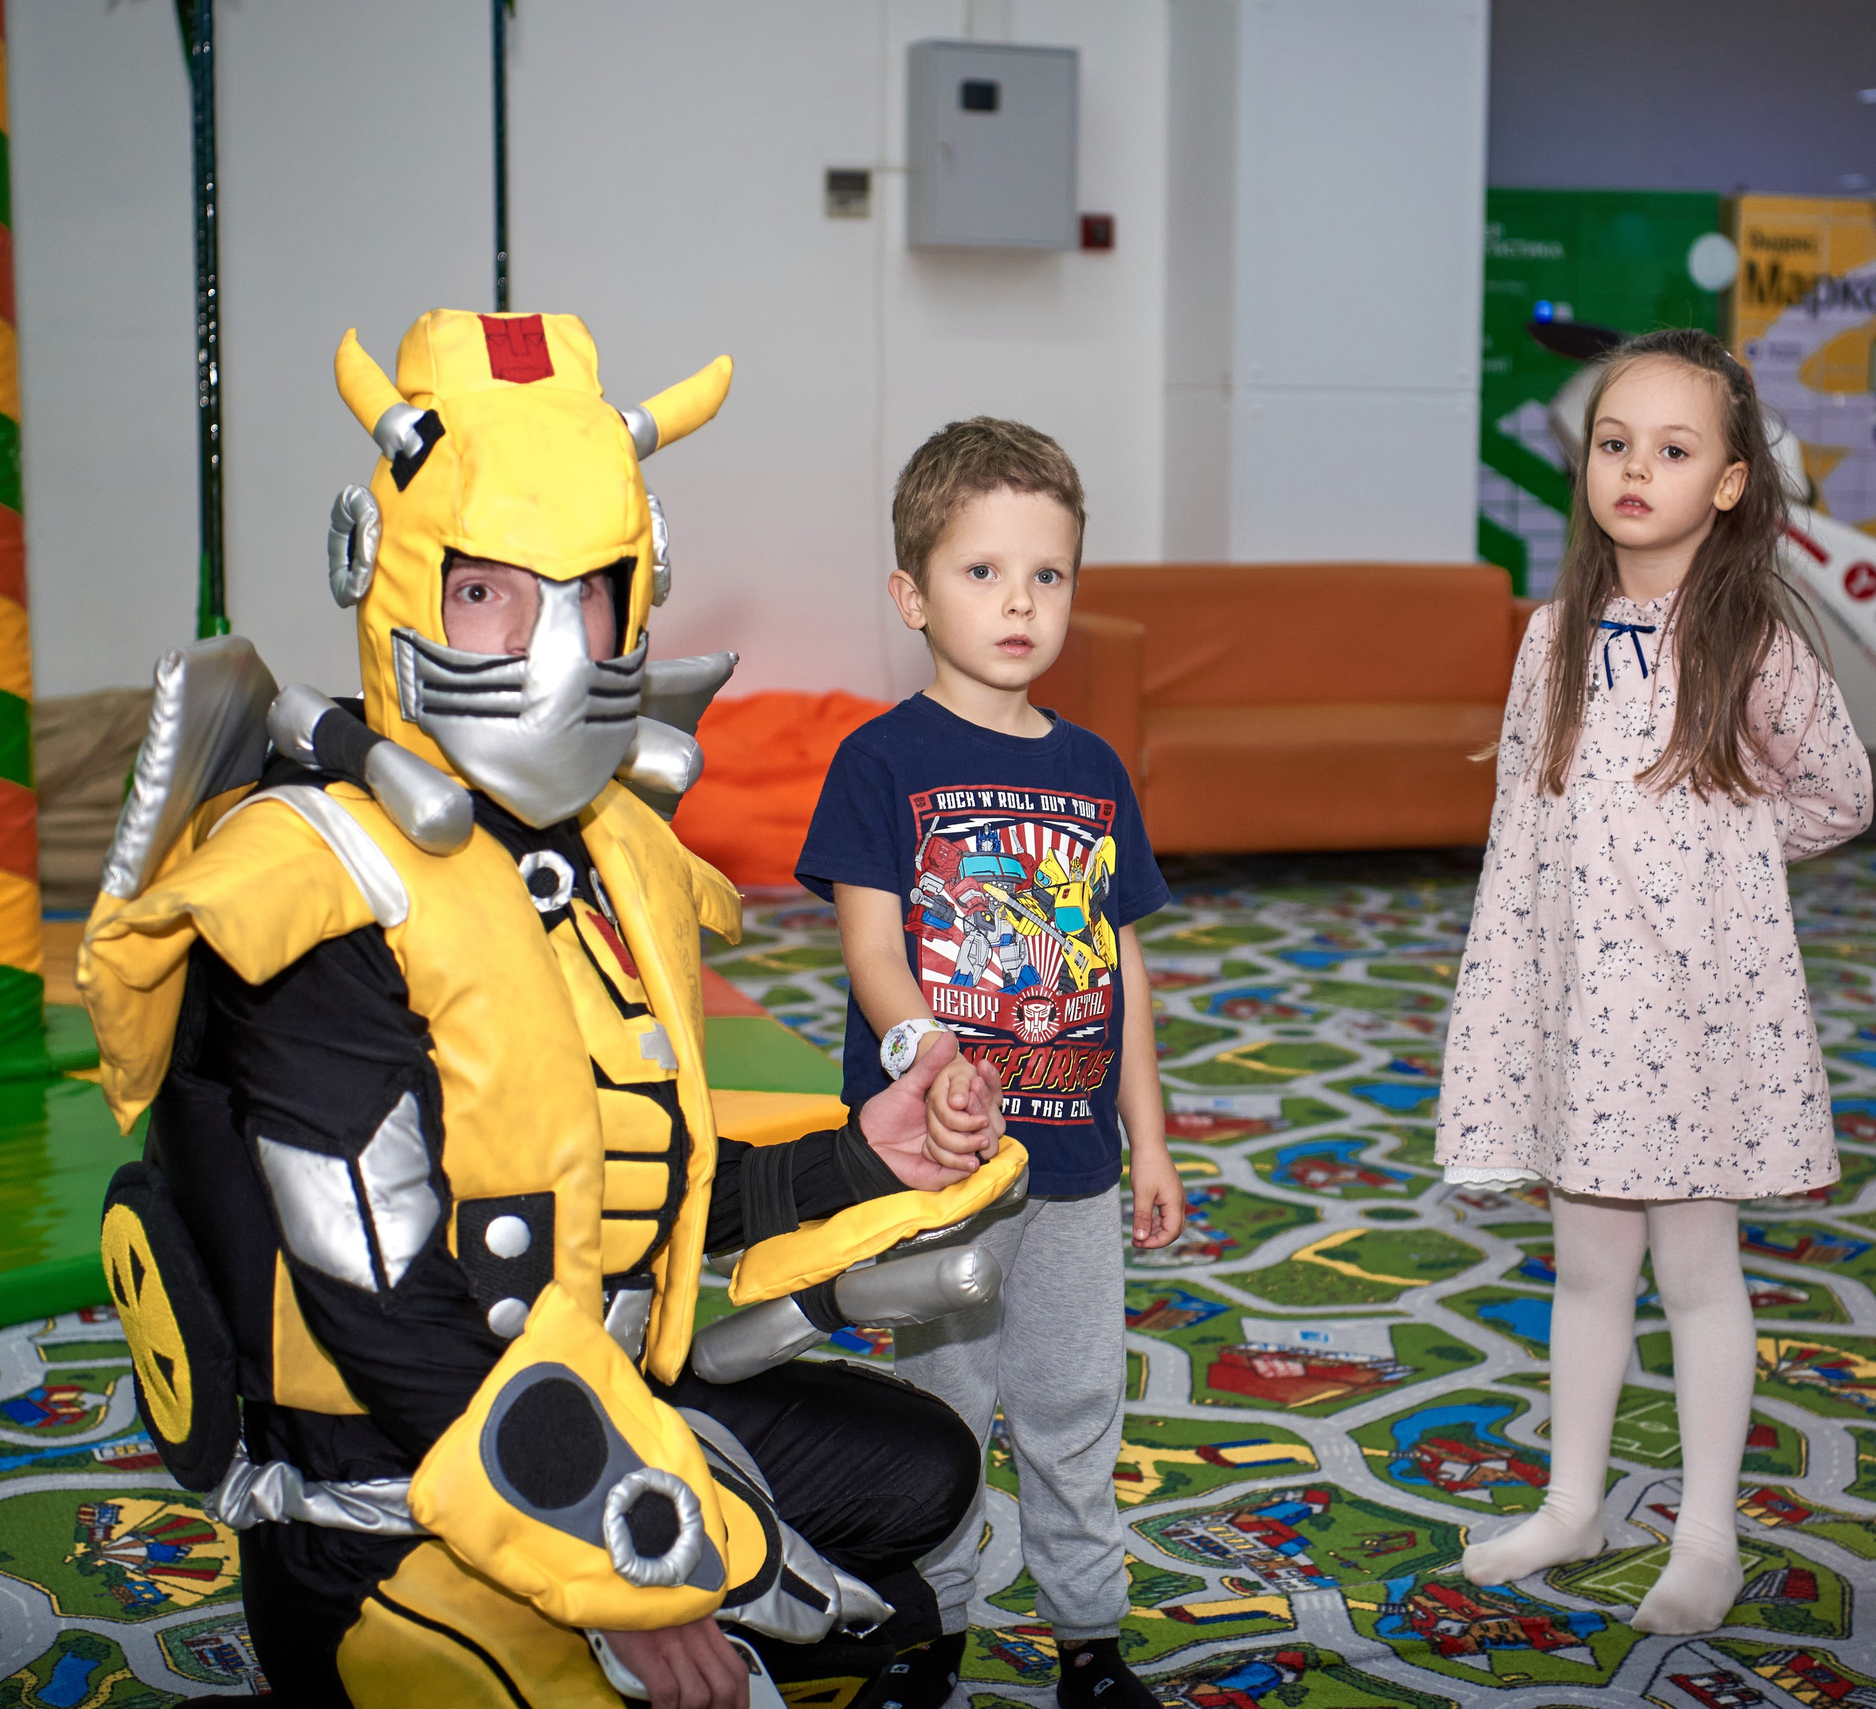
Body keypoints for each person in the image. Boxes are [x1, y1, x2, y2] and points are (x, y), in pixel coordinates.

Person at [80, 311, 1023, 1709]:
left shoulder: (609, 853)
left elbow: (639, 1182)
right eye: (490, 594)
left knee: (924, 1486)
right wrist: (621, 1578)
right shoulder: (310, 883)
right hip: (390, 1508)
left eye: (589, 595)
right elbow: (388, 1317)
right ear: (395, 575)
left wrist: (864, 1152)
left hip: (605, 1409)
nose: (557, 648)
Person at [1434, 328, 1872, 1631]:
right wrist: (1508, 996)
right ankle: (1572, 1502)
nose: (1635, 470)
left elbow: (1838, 793)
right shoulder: (1553, 633)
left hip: (1689, 1020)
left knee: (1696, 1270)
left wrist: (1715, 858)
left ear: (1729, 480)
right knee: (1583, 1268)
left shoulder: (1754, 640)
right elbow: (1526, 808)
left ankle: (1707, 1530)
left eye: (1673, 450)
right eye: (1615, 444)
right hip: (1581, 1011)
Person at [796, 417, 1187, 1709]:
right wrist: (929, 1058)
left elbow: (1121, 965)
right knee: (942, 1416)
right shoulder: (880, 761)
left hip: (1073, 1163)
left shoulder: (1093, 769)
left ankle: (1090, 1639)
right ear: (911, 593)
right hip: (938, 1169)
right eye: (982, 572)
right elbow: (870, 953)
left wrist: (1153, 1135)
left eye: (1049, 574)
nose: (1019, 601)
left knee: (1076, 1407)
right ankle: (931, 1633)